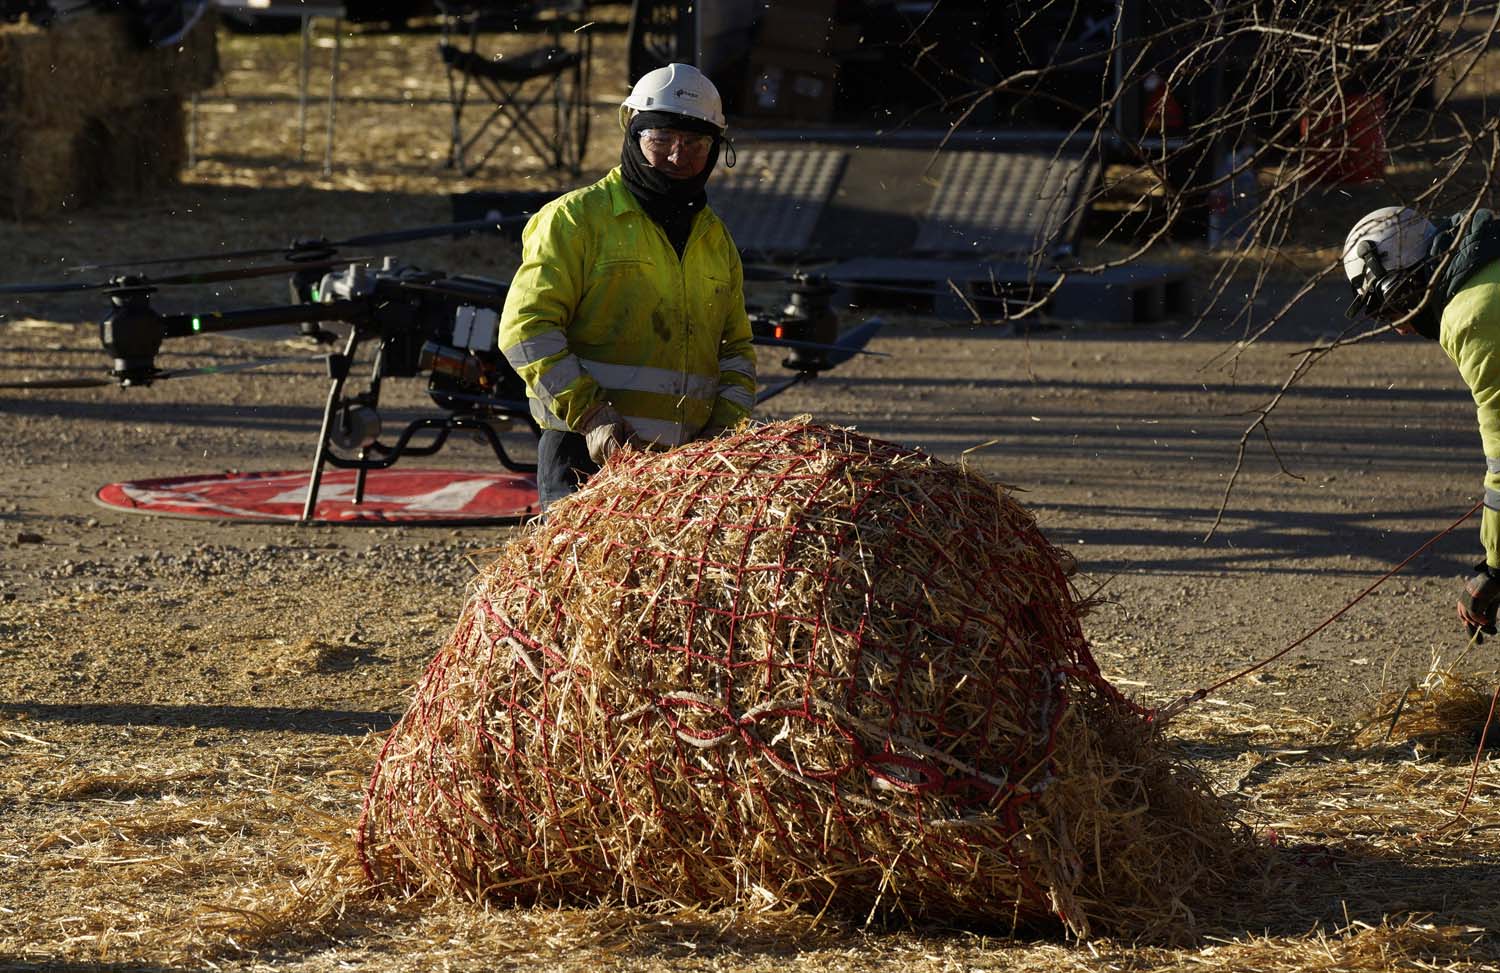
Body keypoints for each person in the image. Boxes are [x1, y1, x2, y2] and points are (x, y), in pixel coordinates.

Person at [498, 63, 756, 511]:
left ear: (717, 149)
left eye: (695, 144)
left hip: (688, 467)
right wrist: (592, 415)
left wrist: (722, 438)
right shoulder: (575, 219)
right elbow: (526, 331)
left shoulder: (716, 239)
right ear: (632, 136)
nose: (678, 158)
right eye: (661, 142)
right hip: (584, 454)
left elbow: (736, 351)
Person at [1343, 205, 1500, 641]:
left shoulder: (1474, 314)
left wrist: (1495, 567)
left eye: (1386, 306)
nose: (1397, 327)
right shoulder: (1489, 270)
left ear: (1402, 278)